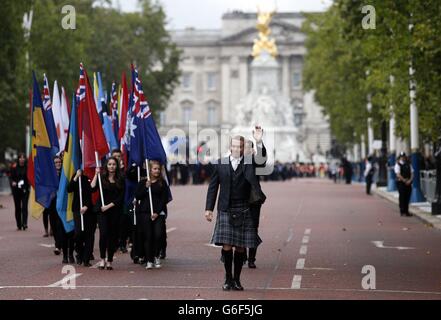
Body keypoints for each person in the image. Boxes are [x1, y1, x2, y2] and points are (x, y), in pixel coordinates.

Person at [205, 135, 265, 291]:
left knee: (239, 247)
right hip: (225, 207)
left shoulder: (249, 162)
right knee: (226, 246)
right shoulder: (221, 163)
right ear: (230, 147)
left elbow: (262, 160)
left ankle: (237, 279)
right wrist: (208, 209)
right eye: (235, 146)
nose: (237, 149)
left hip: (244, 207)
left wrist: (258, 142)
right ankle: (228, 278)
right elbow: (213, 187)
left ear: (243, 148)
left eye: (240, 147)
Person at [92, 157, 125, 270]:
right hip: (102, 211)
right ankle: (102, 259)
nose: (111, 166)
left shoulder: (121, 179)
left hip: (114, 210)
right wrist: (96, 175)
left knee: (112, 236)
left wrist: (109, 206)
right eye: (109, 164)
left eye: (114, 164)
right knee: (104, 233)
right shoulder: (101, 178)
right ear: (106, 166)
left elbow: (120, 198)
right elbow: (92, 188)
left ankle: (109, 260)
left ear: (116, 166)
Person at [135, 160, 168, 269]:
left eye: (158, 169)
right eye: (154, 169)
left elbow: (164, 199)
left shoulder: (162, 183)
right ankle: (149, 260)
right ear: (150, 170)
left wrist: (157, 213)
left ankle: (156, 255)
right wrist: (145, 187)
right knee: (148, 236)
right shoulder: (143, 182)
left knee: (158, 235)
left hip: (158, 213)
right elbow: (138, 196)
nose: (157, 171)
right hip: (145, 213)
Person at [242, 126, 267, 269]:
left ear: (252, 150)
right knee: (240, 229)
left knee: (252, 229)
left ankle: (251, 258)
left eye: (246, 148)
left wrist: (259, 142)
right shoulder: (234, 161)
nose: (244, 150)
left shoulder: (254, 161)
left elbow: (262, 161)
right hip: (238, 199)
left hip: (252, 199)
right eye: (242, 147)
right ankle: (242, 254)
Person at [68, 169, 95, 267]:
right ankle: (79, 252)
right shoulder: (76, 176)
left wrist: (87, 206)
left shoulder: (88, 177)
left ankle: (86, 258)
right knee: (78, 233)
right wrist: (76, 177)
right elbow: (69, 189)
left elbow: (92, 190)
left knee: (89, 235)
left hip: (89, 210)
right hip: (77, 209)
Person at [9, 153, 29, 231]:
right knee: (18, 207)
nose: (22, 159)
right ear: (18, 159)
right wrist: (12, 182)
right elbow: (10, 177)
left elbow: (30, 177)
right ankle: (19, 224)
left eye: (23, 158)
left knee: (24, 207)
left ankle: (25, 223)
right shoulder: (14, 167)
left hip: (25, 190)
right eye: (20, 158)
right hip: (16, 190)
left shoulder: (27, 167)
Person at [395, 152, 413, 217]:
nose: (403, 158)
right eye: (401, 156)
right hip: (401, 183)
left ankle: (406, 211)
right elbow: (398, 174)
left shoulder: (408, 164)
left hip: (408, 182)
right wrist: (404, 180)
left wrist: (410, 180)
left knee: (407, 197)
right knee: (402, 197)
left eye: (404, 156)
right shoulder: (398, 165)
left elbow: (412, 172)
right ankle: (402, 211)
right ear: (400, 157)